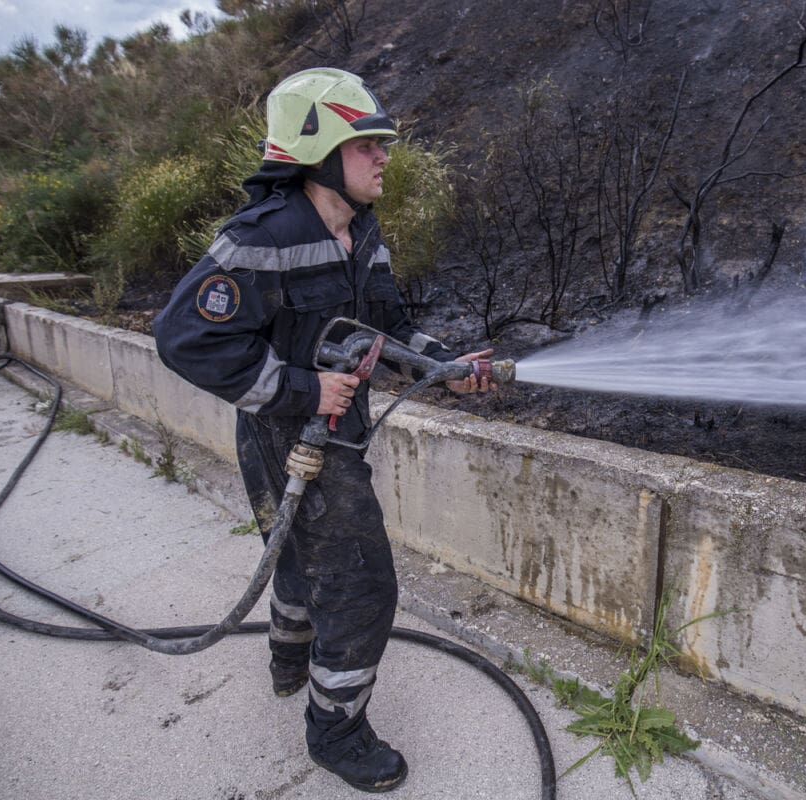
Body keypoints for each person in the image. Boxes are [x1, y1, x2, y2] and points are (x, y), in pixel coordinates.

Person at [153, 67, 492, 793]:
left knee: (301, 561)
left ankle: (287, 661)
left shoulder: (361, 232)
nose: (383, 156)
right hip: (285, 438)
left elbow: (386, 328)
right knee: (361, 585)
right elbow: (184, 337)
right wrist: (303, 389)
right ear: (318, 150)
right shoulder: (264, 236)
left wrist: (443, 367)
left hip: (337, 432)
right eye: (367, 144)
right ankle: (336, 730)